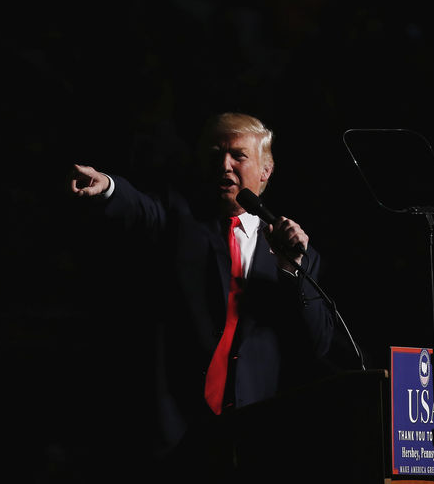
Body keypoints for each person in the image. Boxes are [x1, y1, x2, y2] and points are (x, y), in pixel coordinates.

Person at [69, 112, 334, 481]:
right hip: (177, 433)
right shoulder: (179, 217)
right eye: (215, 156)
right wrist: (110, 187)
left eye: (238, 156)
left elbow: (317, 344)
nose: (224, 165)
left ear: (265, 170)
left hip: (256, 436)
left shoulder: (294, 250)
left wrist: (294, 270)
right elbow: (141, 208)